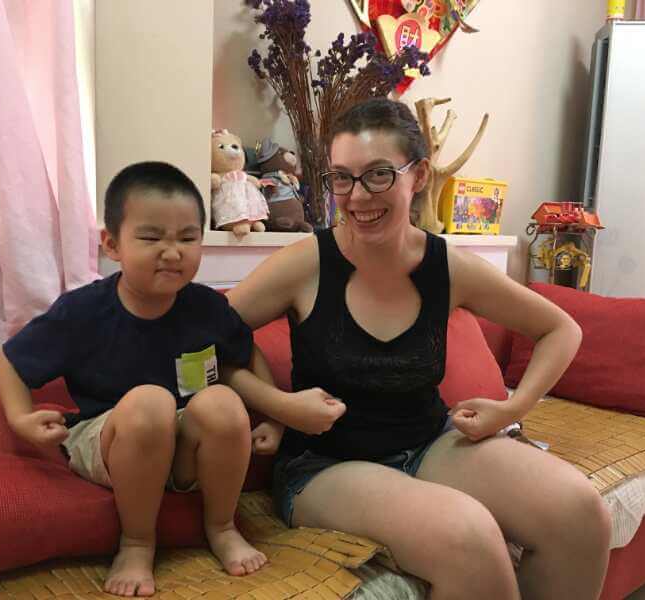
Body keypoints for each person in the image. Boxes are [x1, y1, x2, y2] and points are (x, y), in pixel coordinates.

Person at [225, 98, 612, 600]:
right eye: (342, 177)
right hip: (325, 466)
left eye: (379, 175)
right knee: (468, 536)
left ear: (420, 175)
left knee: (580, 513)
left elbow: (562, 330)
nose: (358, 196)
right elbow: (206, 339)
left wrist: (514, 407)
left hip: (430, 441)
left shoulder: (448, 267)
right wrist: (278, 407)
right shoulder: (304, 264)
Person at [0, 162, 275, 597]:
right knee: (150, 403)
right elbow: (10, 361)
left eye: (188, 238)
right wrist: (20, 417)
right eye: (150, 238)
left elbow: (248, 353)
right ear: (112, 244)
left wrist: (275, 418)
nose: (172, 252)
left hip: (183, 448)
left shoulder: (209, 307)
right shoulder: (82, 311)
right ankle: (137, 542)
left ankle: (222, 526)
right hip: (110, 439)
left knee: (221, 401)